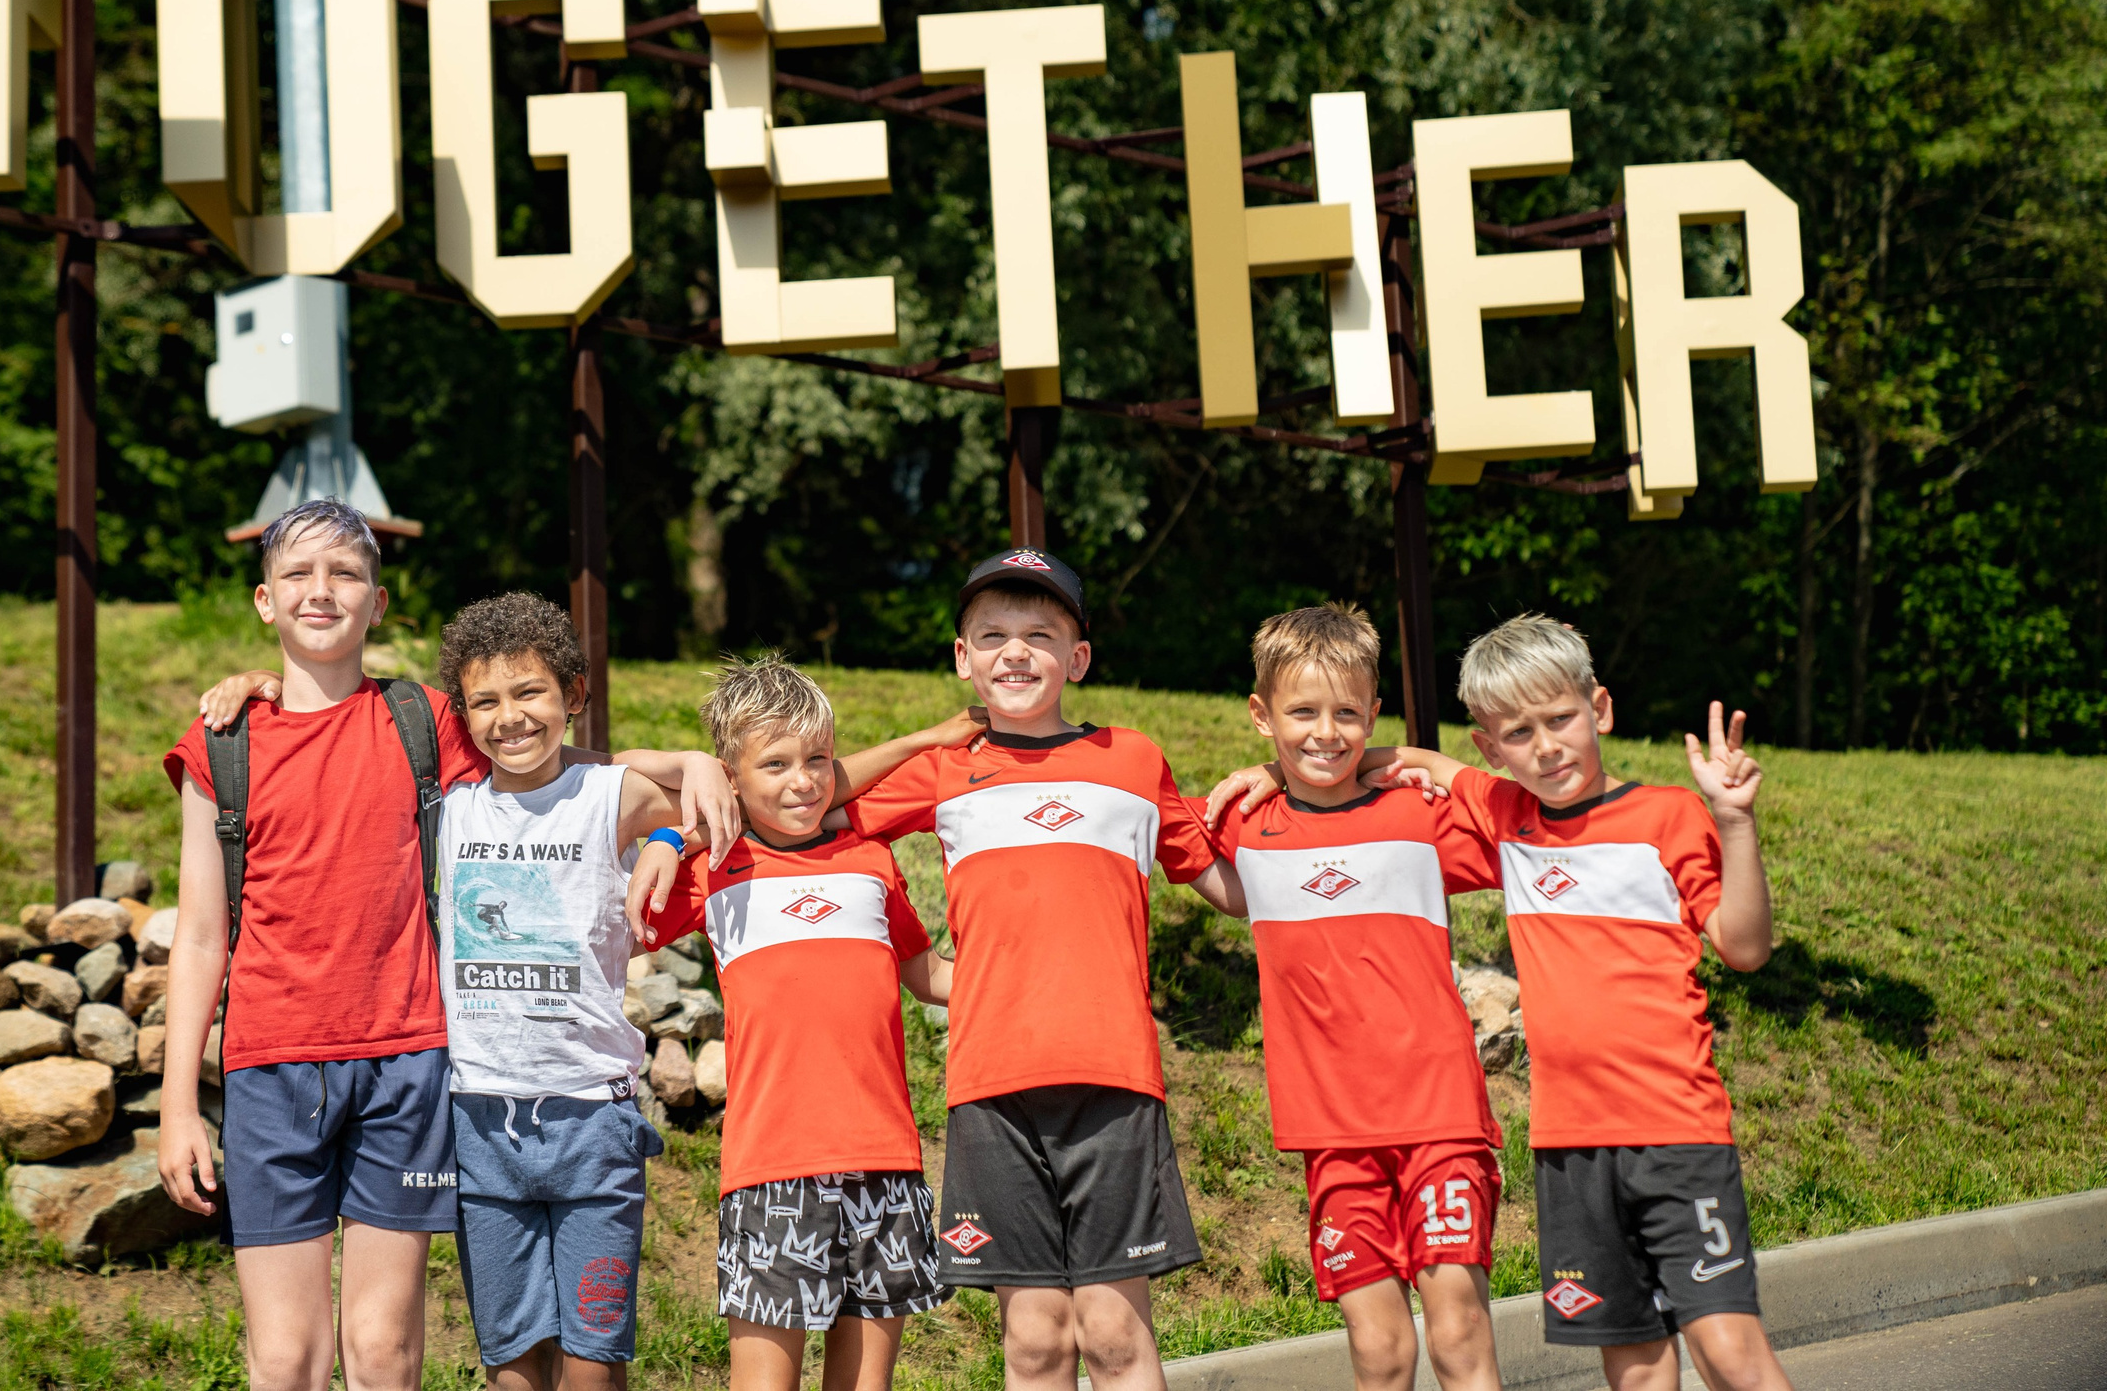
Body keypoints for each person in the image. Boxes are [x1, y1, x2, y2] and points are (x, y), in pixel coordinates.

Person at [156, 505, 725, 1391]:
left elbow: (556, 761)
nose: (322, 590)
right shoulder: (222, 741)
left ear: (378, 602)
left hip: (409, 1065)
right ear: (264, 600)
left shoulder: (425, 718)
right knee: (284, 1357)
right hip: (271, 1066)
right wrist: (178, 1102)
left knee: (383, 1351)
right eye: (299, 574)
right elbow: (198, 936)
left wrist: (688, 770)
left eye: (344, 573)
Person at [1214, 611, 1794, 1391]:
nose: (1546, 745)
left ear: (1602, 709)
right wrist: (1279, 775)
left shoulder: (1655, 816)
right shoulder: (1507, 815)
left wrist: (1735, 820)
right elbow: (1406, 767)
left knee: (1729, 1353)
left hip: (1675, 1131)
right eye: (1519, 732)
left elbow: (1745, 946)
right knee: (1636, 1366)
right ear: (1491, 748)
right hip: (1566, 1145)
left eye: (1561, 719)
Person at [738, 548, 1233, 1391]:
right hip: (989, 1089)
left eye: (1041, 634)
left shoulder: (1134, 759)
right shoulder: (942, 771)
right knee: (1034, 1343)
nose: (1016, 651)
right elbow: (796, 797)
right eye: (993, 634)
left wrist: (1287, 783)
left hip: (1113, 1078)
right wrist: (680, 827)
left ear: (1077, 658)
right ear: (962, 657)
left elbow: (1232, 881)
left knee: (1114, 1335)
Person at [630, 653, 977, 1391]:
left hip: (888, 1161)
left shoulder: (871, 858)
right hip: (770, 1169)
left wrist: (1030, 979)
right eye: (776, 762)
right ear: (729, 777)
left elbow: (929, 976)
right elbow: (603, 773)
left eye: (818, 759)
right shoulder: (714, 866)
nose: (803, 780)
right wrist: (671, 831)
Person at [1197, 605, 1504, 1391]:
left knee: (1459, 1333)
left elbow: (1528, 820)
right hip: (1333, 1130)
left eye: (1346, 713)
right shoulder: (1243, 821)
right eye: (1301, 712)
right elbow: (1167, 836)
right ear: (1262, 715)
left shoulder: (1418, 813)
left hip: (1440, 1113)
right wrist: (1266, 774)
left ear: (1373, 712)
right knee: (1379, 1350)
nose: (1325, 732)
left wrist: (1419, 758)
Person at [432, 591, 726, 1391]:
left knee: (593, 1365)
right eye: (485, 700)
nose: (510, 716)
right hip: (480, 1118)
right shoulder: (449, 807)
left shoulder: (608, 794)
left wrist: (670, 834)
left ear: (573, 695)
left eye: (530, 692)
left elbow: (722, 798)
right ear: (462, 712)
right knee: (511, 1364)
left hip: (592, 1118)